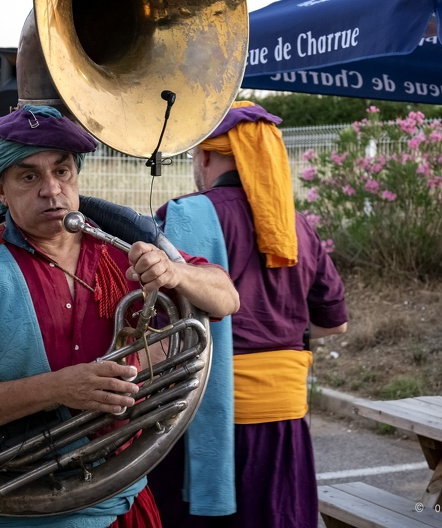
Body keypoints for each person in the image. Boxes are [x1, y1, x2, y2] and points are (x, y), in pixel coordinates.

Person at [0, 105, 240, 527]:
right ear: (0, 190)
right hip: (18, 509)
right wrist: (59, 388)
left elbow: (226, 298)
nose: (52, 190)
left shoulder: (122, 246)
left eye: (62, 171)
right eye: (28, 176)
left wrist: (174, 271)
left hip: (121, 502)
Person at [149, 101, 349, 528]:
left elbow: (160, 326)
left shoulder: (185, 214)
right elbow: (335, 322)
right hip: (285, 426)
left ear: (206, 155)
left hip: (203, 419)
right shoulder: (296, 225)